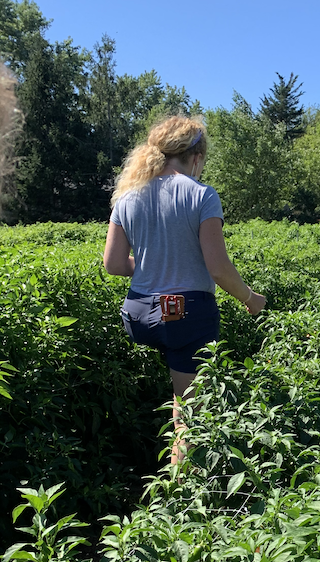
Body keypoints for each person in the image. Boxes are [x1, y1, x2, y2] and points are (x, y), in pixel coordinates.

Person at [103, 114, 266, 462]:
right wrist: (251, 299)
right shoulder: (202, 195)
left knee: (180, 389)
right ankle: (180, 499)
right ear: (196, 156)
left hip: (137, 314)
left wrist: (151, 265)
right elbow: (219, 268)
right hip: (184, 314)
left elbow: (114, 265)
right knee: (188, 418)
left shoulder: (128, 198)